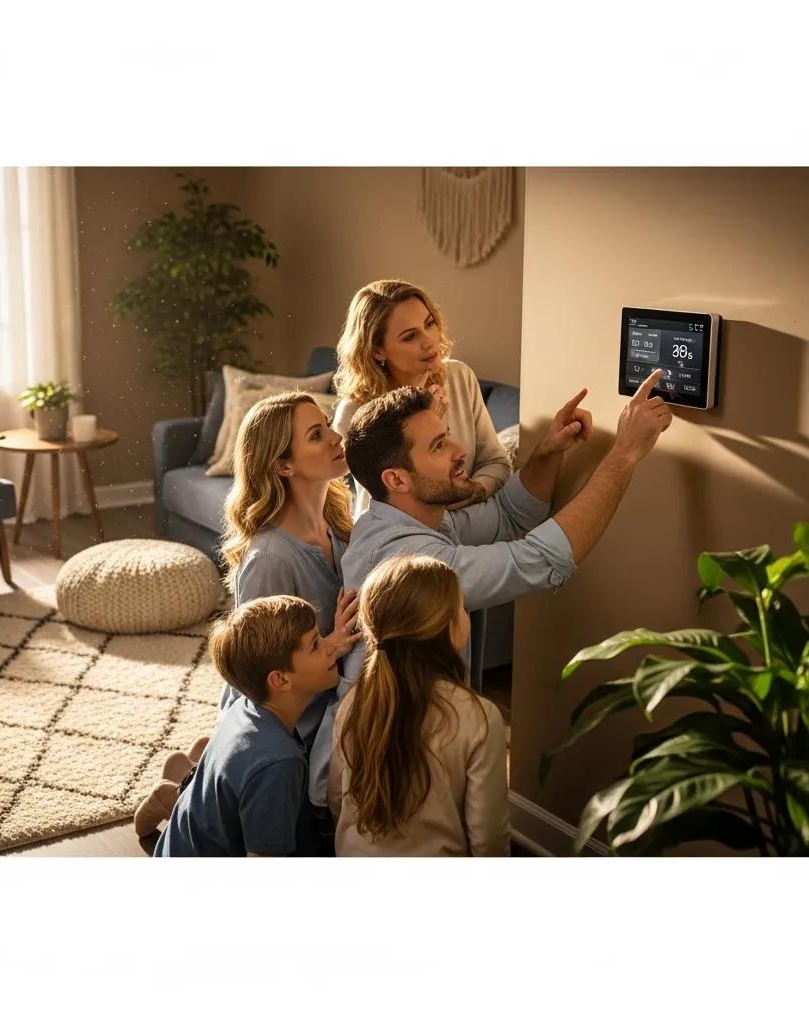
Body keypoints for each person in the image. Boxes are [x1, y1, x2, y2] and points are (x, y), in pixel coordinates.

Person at [306, 368, 672, 804]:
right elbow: (538, 559)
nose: (461, 451)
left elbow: (506, 516)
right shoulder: (415, 566)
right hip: (381, 783)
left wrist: (549, 452)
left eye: (447, 435)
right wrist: (624, 453)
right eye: (439, 445)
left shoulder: (399, 518)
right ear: (396, 480)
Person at [328, 554, 509, 856]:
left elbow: (336, 799)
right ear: (447, 628)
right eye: (461, 607)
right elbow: (488, 838)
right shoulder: (479, 718)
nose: (466, 614)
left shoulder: (352, 703)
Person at [218, 391, 359, 748]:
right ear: (284, 465)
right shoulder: (270, 559)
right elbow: (260, 674)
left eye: (327, 425)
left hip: (331, 708)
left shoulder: (341, 527)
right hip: (286, 732)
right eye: (316, 435)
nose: (335, 437)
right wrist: (331, 646)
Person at [154, 596, 339, 857]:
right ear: (280, 679)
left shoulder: (245, 708)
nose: (330, 647)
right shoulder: (279, 763)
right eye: (315, 645)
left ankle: (171, 786)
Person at [333, 279, 512, 517]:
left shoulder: (459, 377)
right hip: (398, 541)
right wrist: (429, 422)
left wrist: (472, 493)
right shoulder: (355, 412)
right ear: (377, 350)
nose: (428, 341)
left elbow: (497, 463)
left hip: (466, 522)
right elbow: (396, 500)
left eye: (429, 324)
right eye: (409, 337)